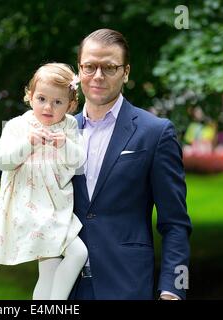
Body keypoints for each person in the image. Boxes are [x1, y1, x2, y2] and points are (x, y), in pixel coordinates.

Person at [69, 29, 192, 300]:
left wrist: (173, 289)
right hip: (65, 286)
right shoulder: (60, 133)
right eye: (89, 66)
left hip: (126, 285)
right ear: (79, 70)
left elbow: (175, 223)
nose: (98, 76)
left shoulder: (155, 133)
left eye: (109, 67)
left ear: (125, 72)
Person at [0, 63, 88, 300]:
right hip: (30, 206)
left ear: (71, 105)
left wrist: (64, 144)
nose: (48, 107)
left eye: (57, 102)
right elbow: (2, 161)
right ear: (30, 96)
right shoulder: (18, 126)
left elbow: (78, 161)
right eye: (41, 98)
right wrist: (28, 143)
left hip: (57, 205)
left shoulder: (69, 126)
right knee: (76, 253)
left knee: (54, 266)